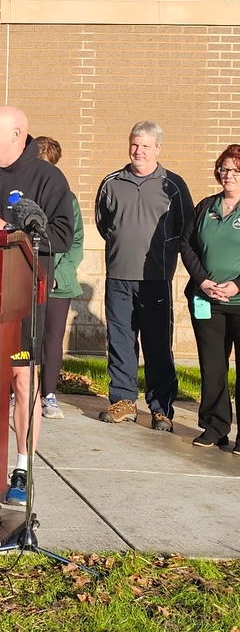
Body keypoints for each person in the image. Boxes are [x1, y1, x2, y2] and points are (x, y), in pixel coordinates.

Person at [0, 106, 73, 505]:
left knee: (22, 381)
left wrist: (8, 228)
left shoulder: (48, 178)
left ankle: (21, 467)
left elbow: (60, 235)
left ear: (17, 134)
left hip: (23, 297)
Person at [94, 121, 193, 432]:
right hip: (119, 277)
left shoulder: (172, 185)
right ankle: (123, 400)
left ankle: (161, 407)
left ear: (158, 149)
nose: (138, 151)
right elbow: (103, 223)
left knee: (157, 343)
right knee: (121, 341)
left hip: (156, 279)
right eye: (134, 144)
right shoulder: (112, 182)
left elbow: (185, 228)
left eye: (146, 146)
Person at [179, 145, 240, 452]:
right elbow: (187, 245)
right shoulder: (206, 206)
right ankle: (215, 427)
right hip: (207, 302)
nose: (228, 175)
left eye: (235, 170)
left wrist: (237, 285)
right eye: (224, 169)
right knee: (212, 366)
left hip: (239, 302)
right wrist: (202, 280)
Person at [35, 136, 84, 420]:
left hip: (56, 283)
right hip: (28, 279)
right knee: (25, 338)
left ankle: (49, 394)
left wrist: (57, 276)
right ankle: (18, 391)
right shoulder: (22, 196)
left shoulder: (67, 199)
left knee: (52, 339)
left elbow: (75, 242)